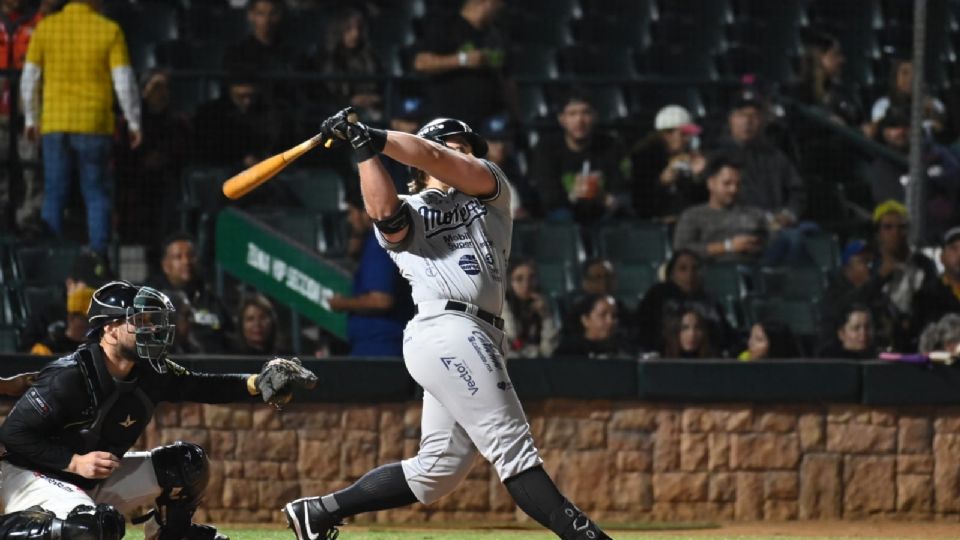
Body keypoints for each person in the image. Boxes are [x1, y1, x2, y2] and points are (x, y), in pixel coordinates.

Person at [283, 108, 613, 539]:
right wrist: (364, 151)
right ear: (415, 172)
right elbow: (386, 215)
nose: (461, 156)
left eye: (465, 149)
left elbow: (432, 157)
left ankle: (320, 511)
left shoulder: (490, 193)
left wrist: (372, 134)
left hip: (479, 334)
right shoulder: (412, 206)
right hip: (447, 328)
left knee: (436, 472)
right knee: (513, 449)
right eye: (450, 147)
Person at [0, 280, 316, 540]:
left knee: (186, 465)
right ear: (110, 329)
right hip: (28, 477)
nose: (152, 328)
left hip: (88, 481)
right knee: (92, 528)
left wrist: (257, 383)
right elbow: (13, 434)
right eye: (140, 321)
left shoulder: (151, 371)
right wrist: (73, 462)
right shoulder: (69, 376)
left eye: (152, 320)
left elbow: (201, 385)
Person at [20, 0, 142, 255]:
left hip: (55, 121)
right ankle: (98, 256)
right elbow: (123, 80)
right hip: (94, 123)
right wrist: (133, 121)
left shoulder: (47, 27)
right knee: (96, 193)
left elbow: (30, 77)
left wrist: (31, 118)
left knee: (54, 192)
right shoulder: (108, 29)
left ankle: (50, 254)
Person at [327, 199, 414, 357]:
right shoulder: (374, 242)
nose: (349, 219)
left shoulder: (378, 245)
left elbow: (381, 301)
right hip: (378, 345)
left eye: (351, 213)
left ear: (366, 212)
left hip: (380, 347)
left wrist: (342, 303)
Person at [116, 68, 191, 243]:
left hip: (166, 180)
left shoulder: (178, 122)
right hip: (135, 179)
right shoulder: (131, 121)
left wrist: (163, 157)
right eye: (156, 86)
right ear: (144, 90)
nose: (161, 92)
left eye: (165, 87)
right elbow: (123, 154)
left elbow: (182, 151)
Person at [530, 91, 626, 225]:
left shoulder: (611, 146)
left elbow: (621, 190)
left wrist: (601, 196)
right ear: (562, 119)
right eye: (572, 114)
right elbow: (547, 195)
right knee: (562, 217)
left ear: (595, 116)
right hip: (563, 213)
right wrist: (574, 195)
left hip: (601, 211)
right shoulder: (546, 148)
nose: (579, 120)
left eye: (586, 113)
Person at [413, 0, 512, 128]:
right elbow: (421, 63)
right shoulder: (447, 27)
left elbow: (508, 78)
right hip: (448, 120)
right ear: (485, 3)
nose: (501, 8)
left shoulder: (496, 36)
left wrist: (515, 115)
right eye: (499, 3)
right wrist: (463, 60)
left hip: (484, 123)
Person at [715, 95, 806, 229]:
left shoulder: (775, 156)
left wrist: (789, 214)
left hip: (779, 225)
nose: (747, 121)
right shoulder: (717, 156)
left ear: (763, 121)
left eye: (754, 116)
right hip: (738, 227)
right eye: (741, 115)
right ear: (731, 120)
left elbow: (797, 191)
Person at [146, 232, 233, 354]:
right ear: (165, 265)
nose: (186, 262)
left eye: (191, 256)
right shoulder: (153, 302)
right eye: (178, 257)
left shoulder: (211, 300)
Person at [672, 153, 768, 264]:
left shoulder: (754, 215)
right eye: (727, 184)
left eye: (738, 184)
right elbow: (681, 250)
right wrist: (728, 246)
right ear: (711, 183)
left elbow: (770, 245)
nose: (734, 190)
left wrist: (758, 246)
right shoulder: (693, 216)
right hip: (709, 274)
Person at [0, 0, 45, 233]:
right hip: (1, 110)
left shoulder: (38, 21)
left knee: (31, 168)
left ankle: (28, 223)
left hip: (29, 109)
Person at [869, 200, 938, 351]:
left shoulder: (924, 264)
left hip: (917, 338)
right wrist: (881, 276)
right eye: (888, 227)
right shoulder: (869, 263)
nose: (896, 233)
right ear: (878, 232)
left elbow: (932, 302)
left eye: (902, 227)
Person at [634, 249, 731, 354]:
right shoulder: (657, 296)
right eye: (682, 269)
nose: (690, 274)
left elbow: (724, 336)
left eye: (695, 268)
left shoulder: (710, 301)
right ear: (671, 274)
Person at [20, 249, 113, 353]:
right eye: (90, 288)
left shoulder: (107, 318)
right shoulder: (46, 314)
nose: (96, 293)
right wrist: (62, 338)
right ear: (70, 284)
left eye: (100, 288)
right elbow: (25, 354)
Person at [628, 105, 706, 221]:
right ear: (667, 134)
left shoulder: (693, 157)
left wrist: (698, 177)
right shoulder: (643, 159)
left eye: (689, 135)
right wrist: (661, 183)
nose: (688, 139)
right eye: (684, 134)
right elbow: (639, 203)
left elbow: (701, 201)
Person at [193, 75, 285, 168]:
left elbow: (274, 140)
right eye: (241, 96)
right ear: (230, 91)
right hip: (220, 167)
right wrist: (239, 160)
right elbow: (206, 147)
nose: (247, 101)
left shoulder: (268, 112)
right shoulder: (212, 112)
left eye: (251, 96)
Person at [316, 7, 383, 123]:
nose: (355, 34)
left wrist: (374, 98)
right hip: (339, 114)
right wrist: (351, 101)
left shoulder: (371, 57)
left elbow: (382, 87)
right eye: (349, 29)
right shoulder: (326, 59)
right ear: (339, 30)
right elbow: (324, 96)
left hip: (372, 110)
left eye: (359, 29)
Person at [791, 31, 862, 127]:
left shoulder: (843, 92)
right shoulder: (798, 92)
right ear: (819, 57)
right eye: (835, 55)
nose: (842, 60)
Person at [502, 259, 559, 359]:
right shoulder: (501, 308)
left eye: (532, 278)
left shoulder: (543, 306)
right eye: (519, 279)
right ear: (509, 282)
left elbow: (548, 351)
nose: (526, 284)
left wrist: (546, 315)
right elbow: (509, 348)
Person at [222, 0, 296, 76]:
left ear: (280, 15)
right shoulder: (237, 54)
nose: (266, 20)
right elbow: (239, 86)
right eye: (260, 14)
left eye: (273, 14)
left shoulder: (292, 55)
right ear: (250, 15)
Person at [554, 293, 631, 359]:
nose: (610, 321)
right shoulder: (569, 351)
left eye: (614, 316)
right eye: (602, 315)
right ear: (585, 320)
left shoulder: (623, 348)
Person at [28, 283, 93, 356]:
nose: (90, 325)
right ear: (71, 318)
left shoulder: (97, 348)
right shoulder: (46, 349)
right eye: (86, 319)